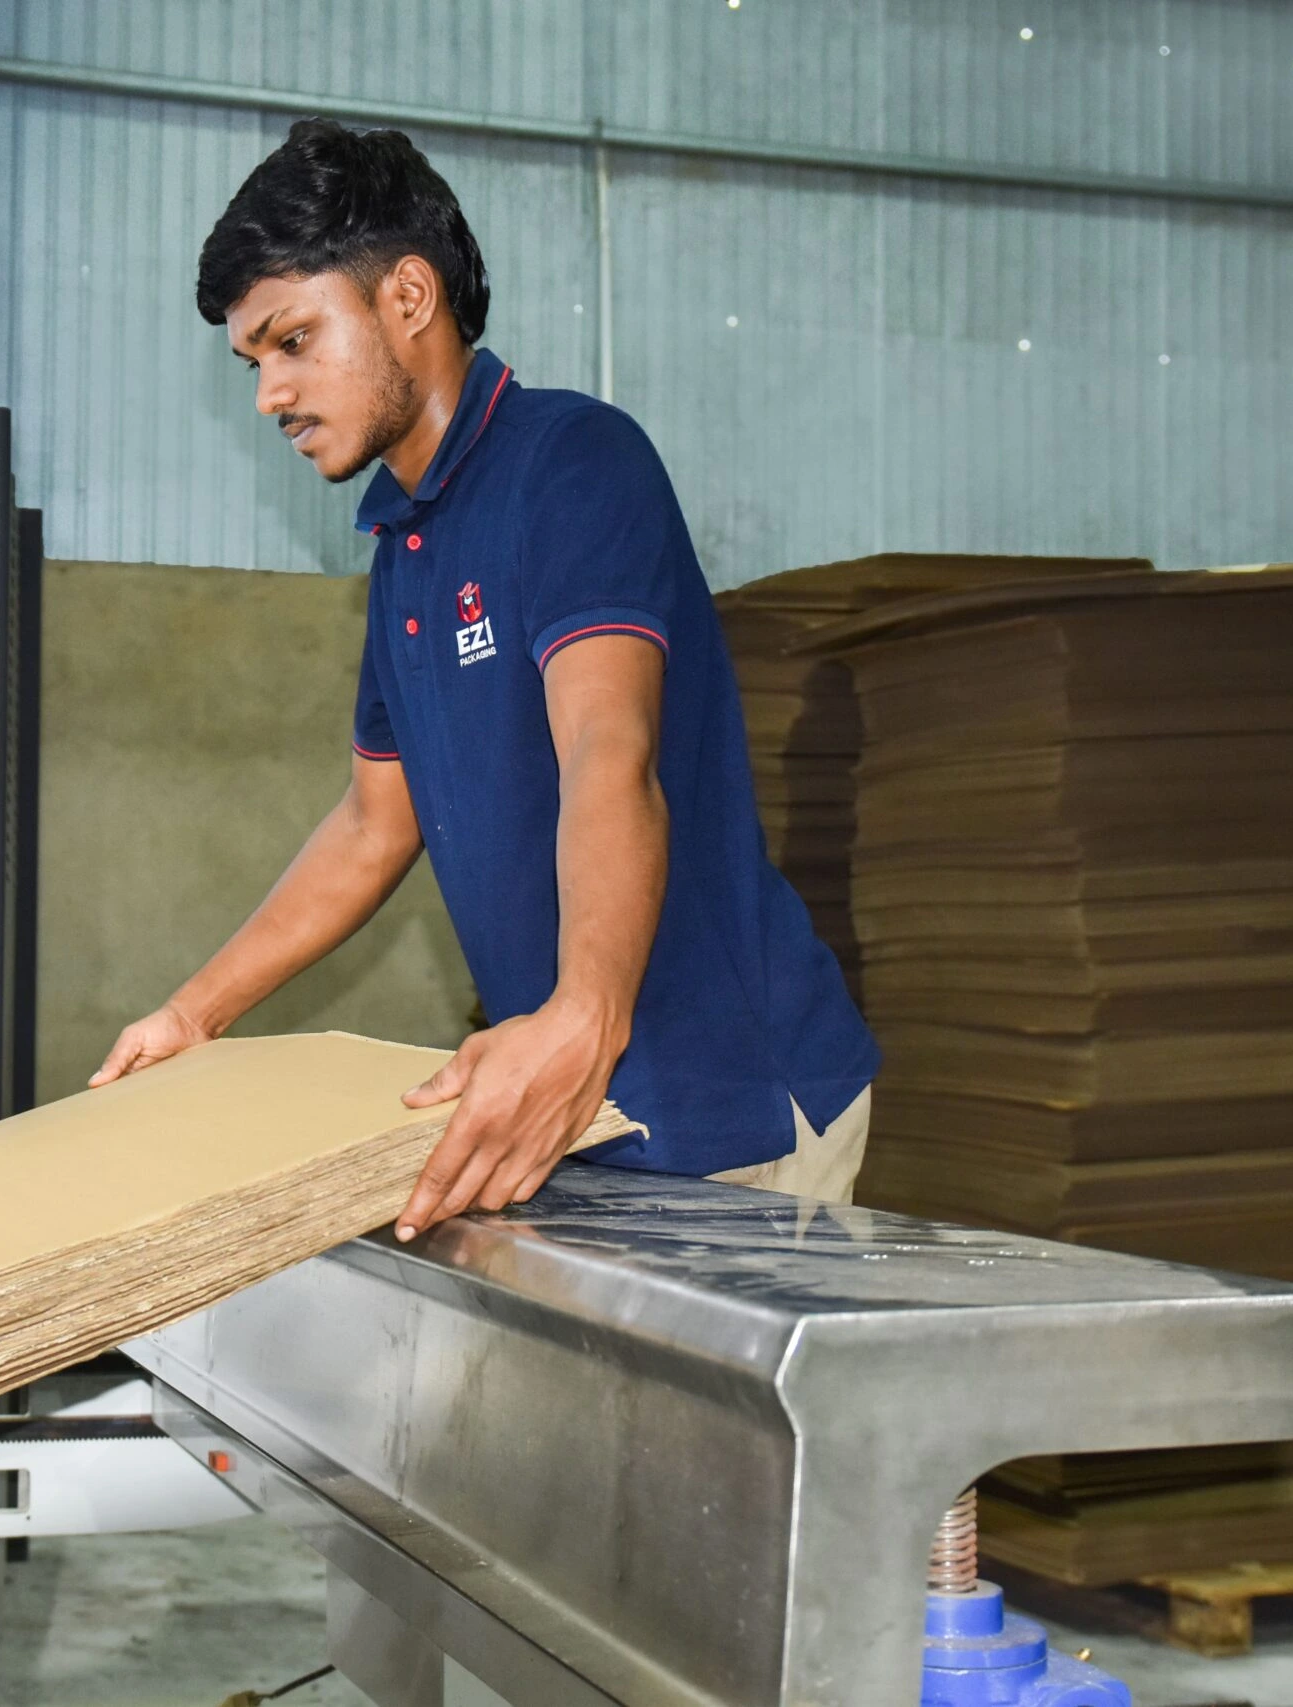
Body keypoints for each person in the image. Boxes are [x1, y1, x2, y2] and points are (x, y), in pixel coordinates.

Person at [91, 118, 879, 1238]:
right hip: (582, 1106)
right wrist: (192, 1014)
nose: (269, 393)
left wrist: (583, 1015)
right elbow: (374, 825)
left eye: (292, 341)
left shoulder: (572, 465)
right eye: (253, 362)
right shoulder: (406, 544)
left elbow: (612, 750)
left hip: (731, 1100)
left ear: (407, 298)